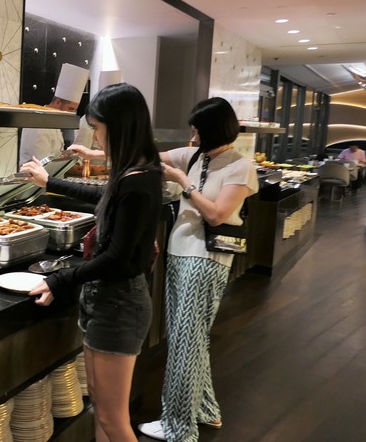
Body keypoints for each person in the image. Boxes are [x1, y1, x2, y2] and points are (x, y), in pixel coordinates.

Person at [20, 83, 164, 442]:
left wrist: (58, 280)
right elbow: (103, 195)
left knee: (114, 420)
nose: (96, 138)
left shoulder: (138, 182)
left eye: (98, 128)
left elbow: (116, 259)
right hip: (107, 301)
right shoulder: (136, 172)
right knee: (100, 406)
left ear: (118, 127)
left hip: (119, 305)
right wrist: (50, 182)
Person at [137, 97, 258, 442]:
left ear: (212, 130)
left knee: (184, 344)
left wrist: (183, 182)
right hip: (179, 253)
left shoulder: (240, 167)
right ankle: (206, 409)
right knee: (189, 339)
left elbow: (217, 215)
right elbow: (146, 155)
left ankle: (178, 427)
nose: (192, 135)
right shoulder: (194, 156)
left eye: (197, 130)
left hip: (206, 259)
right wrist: (93, 153)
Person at [18, 63, 89, 166]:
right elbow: (41, 163)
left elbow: (54, 157)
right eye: (70, 109)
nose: (71, 114)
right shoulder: (38, 122)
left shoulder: (54, 121)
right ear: (58, 102)